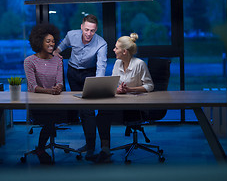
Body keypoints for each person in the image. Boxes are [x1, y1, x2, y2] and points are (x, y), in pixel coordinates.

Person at [53, 14, 107, 160]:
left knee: (88, 110)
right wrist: (56, 52)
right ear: (82, 27)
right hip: (73, 73)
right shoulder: (72, 35)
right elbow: (62, 45)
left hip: (89, 74)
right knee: (82, 111)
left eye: (93, 31)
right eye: (87, 29)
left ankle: (90, 147)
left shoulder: (101, 43)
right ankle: (89, 144)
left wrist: (96, 85)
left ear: (96, 30)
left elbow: (101, 66)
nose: (89, 34)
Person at [93, 32, 154, 163]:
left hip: (136, 107)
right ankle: (105, 149)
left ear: (124, 51)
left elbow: (149, 86)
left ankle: (105, 149)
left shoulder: (139, 64)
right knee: (102, 115)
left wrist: (130, 89)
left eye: (116, 48)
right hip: (120, 103)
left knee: (104, 115)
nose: (114, 50)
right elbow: (115, 84)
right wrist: (118, 89)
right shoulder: (117, 63)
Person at [24, 23, 64, 164]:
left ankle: (42, 146)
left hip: (54, 100)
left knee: (54, 117)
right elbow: (33, 86)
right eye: (48, 41)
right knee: (49, 120)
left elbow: (60, 81)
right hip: (37, 102)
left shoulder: (58, 59)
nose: (51, 44)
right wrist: (49, 91)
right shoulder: (29, 61)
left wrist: (58, 87)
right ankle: (41, 148)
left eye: (53, 41)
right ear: (39, 41)